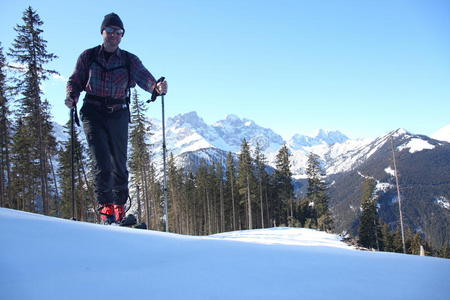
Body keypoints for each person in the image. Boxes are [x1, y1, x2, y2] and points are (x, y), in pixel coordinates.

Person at [66, 13, 167, 224]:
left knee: (119, 164)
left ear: (122, 36)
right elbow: (76, 80)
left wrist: (156, 87)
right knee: (101, 162)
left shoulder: (129, 60)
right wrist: (72, 97)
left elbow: (144, 77)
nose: (113, 35)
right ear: (102, 32)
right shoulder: (89, 56)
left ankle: (119, 211)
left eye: (118, 32)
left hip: (119, 113)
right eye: (110, 31)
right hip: (92, 112)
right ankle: (106, 213)